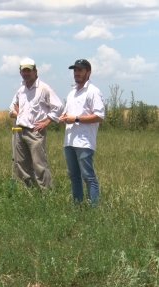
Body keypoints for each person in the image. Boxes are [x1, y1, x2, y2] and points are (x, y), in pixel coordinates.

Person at [8, 58, 63, 189]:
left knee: (39, 163)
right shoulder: (21, 89)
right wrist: (19, 114)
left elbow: (59, 106)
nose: (26, 73)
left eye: (29, 70)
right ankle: (30, 190)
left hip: (35, 131)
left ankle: (46, 192)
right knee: (20, 163)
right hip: (20, 130)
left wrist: (47, 121)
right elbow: (12, 107)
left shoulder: (43, 88)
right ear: (20, 72)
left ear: (35, 71)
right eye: (23, 71)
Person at [59, 59, 105, 205]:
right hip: (70, 139)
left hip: (85, 141)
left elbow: (99, 116)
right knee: (73, 175)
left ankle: (94, 207)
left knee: (88, 176)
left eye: (80, 70)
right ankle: (78, 206)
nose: (77, 73)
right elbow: (68, 113)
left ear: (88, 72)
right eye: (75, 70)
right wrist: (64, 117)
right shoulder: (72, 92)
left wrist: (76, 119)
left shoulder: (93, 92)